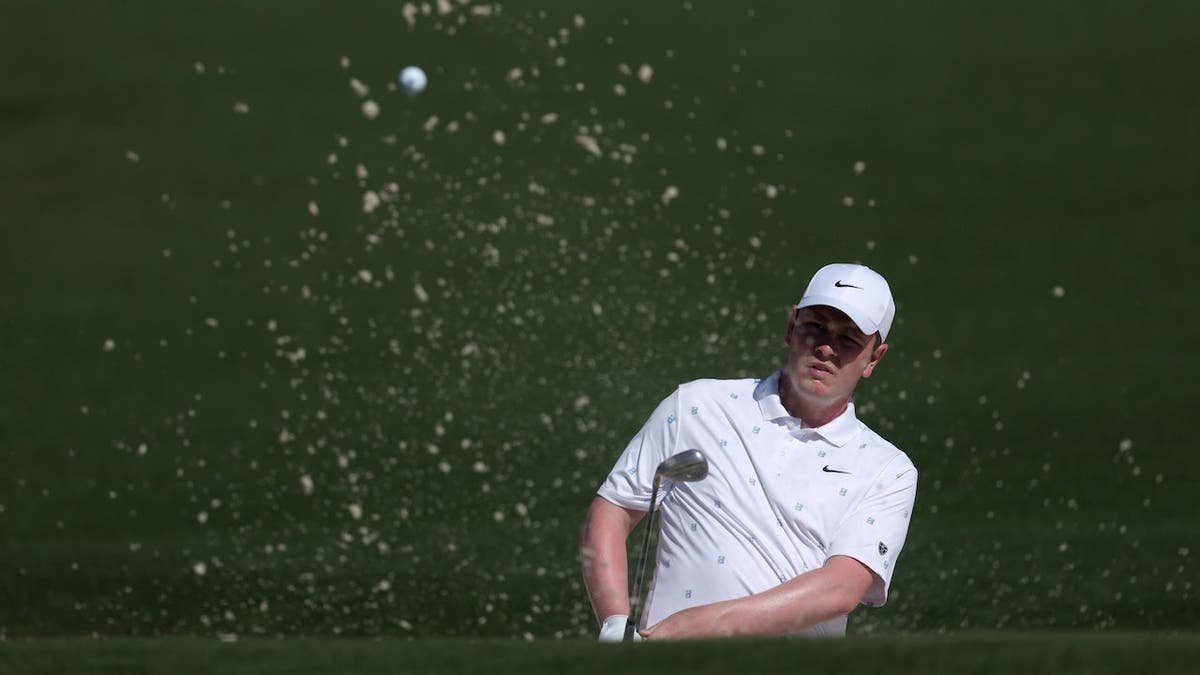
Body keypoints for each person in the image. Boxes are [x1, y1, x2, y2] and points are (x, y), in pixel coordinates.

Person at [579, 263, 918, 641]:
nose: (826, 347)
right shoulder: (696, 405)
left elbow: (840, 589)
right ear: (791, 327)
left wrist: (696, 627)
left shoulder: (887, 468)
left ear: (874, 358)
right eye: (815, 327)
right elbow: (612, 510)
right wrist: (613, 624)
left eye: (849, 339)